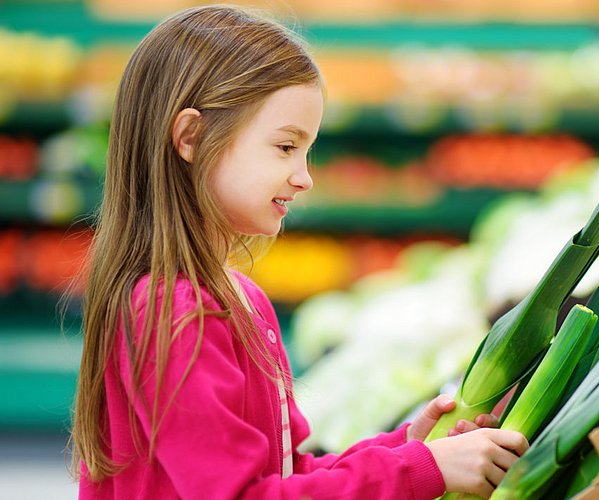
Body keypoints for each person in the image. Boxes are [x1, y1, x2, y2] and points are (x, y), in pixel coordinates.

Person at [69, 5, 528, 499]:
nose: (304, 176)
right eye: (286, 147)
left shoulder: (239, 297)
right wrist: (418, 471)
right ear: (191, 137)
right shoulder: (174, 313)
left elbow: (284, 474)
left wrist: (410, 448)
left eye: (307, 151)